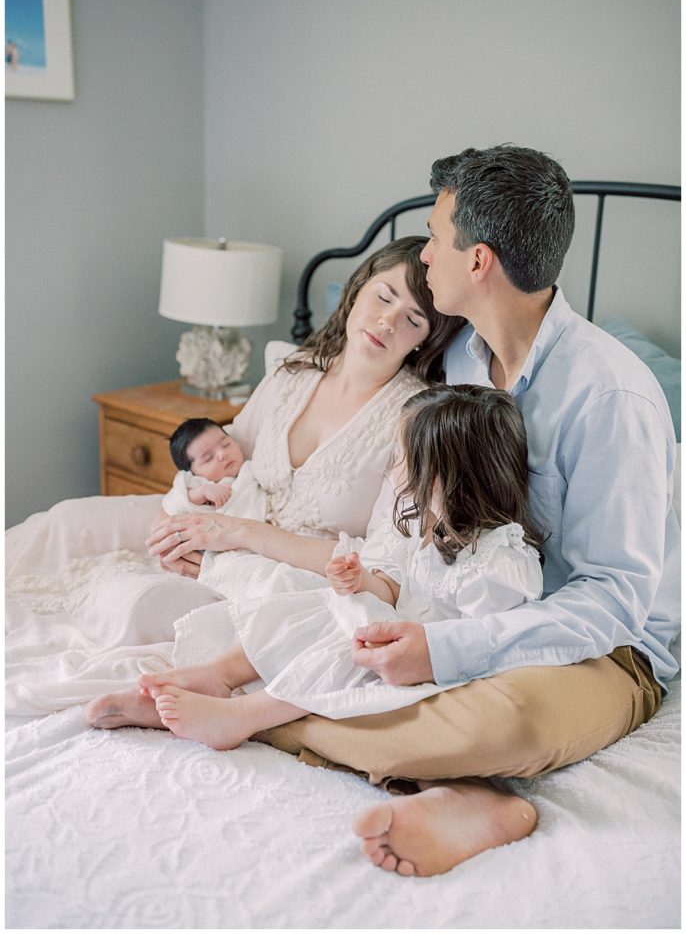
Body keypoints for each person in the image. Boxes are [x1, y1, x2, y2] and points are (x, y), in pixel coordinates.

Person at [217, 144, 676, 878]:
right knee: (319, 627)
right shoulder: (458, 362)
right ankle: (472, 793)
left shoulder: (610, 396)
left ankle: (265, 718)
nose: (423, 256)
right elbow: (357, 392)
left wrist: (445, 652)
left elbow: (615, 600)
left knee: (509, 717)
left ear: (479, 261)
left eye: (434, 236)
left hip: (605, 648)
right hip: (448, 604)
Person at [6, 237, 463, 715]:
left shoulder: (413, 421)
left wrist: (235, 534)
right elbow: (230, 450)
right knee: (63, 521)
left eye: (413, 318)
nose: (387, 321)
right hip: (223, 526)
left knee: (140, 602)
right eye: (384, 296)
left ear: (424, 339)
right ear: (357, 290)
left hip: (291, 577)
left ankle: (180, 688)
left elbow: (383, 570)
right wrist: (190, 505)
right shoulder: (294, 372)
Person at [137, 383, 544, 747]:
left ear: (440, 475)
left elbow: (490, 642)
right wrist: (362, 581)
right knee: (320, 604)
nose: (392, 469)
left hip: (420, 662)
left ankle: (244, 717)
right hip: (392, 629)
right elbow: (400, 590)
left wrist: (415, 645)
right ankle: (221, 673)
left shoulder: (498, 560)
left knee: (344, 646)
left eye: (400, 458)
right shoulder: (426, 526)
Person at [162, 417, 267, 521]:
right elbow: (172, 505)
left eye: (226, 445)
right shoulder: (196, 483)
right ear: (193, 472)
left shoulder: (250, 468)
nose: (222, 454)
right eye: (208, 458)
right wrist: (200, 493)